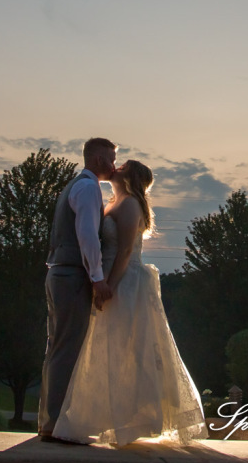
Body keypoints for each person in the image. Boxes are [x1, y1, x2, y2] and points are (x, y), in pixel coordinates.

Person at [52, 160, 207, 446]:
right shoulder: (113, 202)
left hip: (126, 281)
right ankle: (109, 416)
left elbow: (124, 250)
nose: (115, 166)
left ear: (130, 175)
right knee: (108, 345)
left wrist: (108, 283)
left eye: (121, 165)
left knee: (130, 346)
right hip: (111, 277)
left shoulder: (131, 204)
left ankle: (134, 416)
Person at [37, 137, 117, 440]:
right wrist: (97, 278)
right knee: (67, 349)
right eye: (110, 159)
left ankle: (49, 421)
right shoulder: (87, 188)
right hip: (71, 276)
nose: (114, 165)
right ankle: (56, 424)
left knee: (56, 347)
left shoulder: (75, 185)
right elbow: (87, 235)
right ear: (97, 160)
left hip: (59, 272)